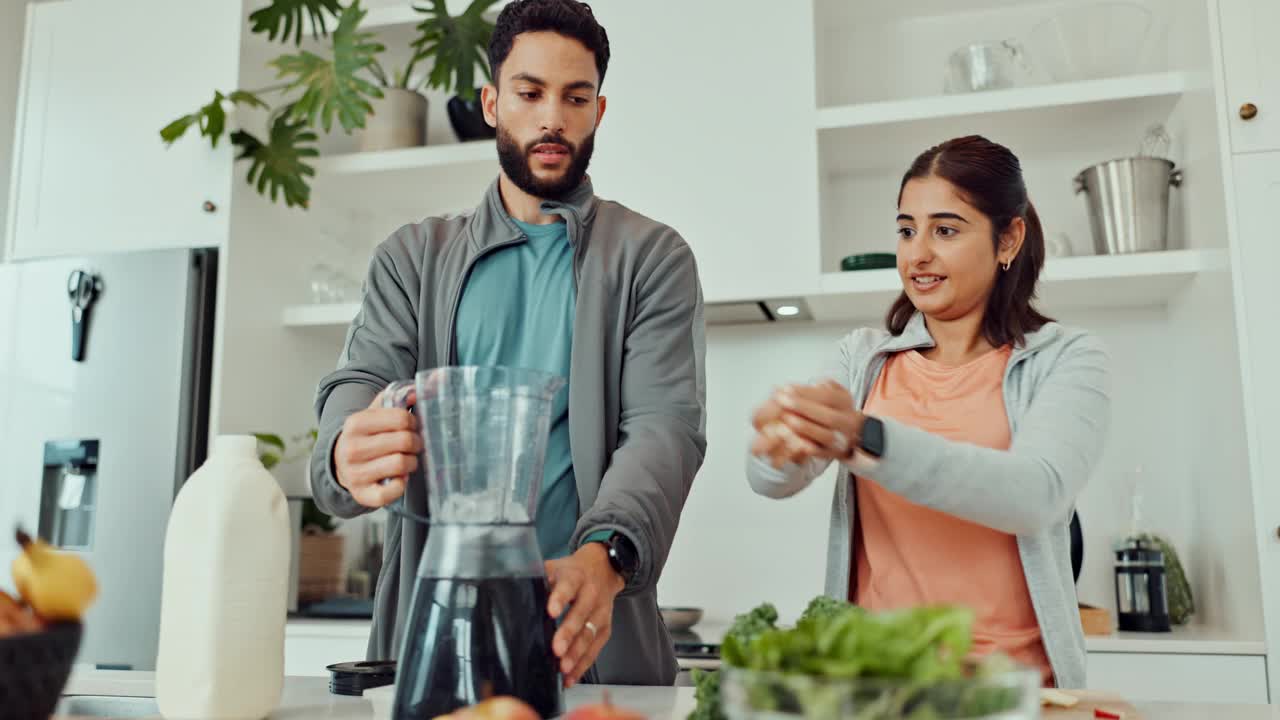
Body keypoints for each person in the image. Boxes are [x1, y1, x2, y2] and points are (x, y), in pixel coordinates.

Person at [309, 0, 707, 687]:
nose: (552, 117)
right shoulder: (412, 256)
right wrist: (346, 446)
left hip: (592, 647)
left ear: (598, 112)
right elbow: (363, 378)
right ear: (493, 103)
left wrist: (604, 557)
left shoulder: (652, 257)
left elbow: (663, 430)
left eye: (574, 97)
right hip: (434, 647)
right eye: (530, 93)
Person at [746, 135, 1110, 689]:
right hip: (877, 688)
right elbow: (772, 481)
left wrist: (865, 436)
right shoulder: (862, 358)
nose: (917, 254)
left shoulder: (1066, 358)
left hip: (1014, 693)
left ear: (1008, 238)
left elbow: (1035, 495)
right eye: (906, 229)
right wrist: (779, 443)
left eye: (945, 230)